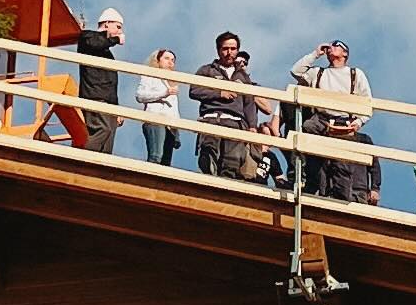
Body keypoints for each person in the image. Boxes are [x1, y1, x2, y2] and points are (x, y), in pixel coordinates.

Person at [287, 38, 374, 204]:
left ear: (345, 53)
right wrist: (316, 54)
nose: (331, 47)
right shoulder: (318, 73)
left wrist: (358, 122)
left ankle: (339, 203)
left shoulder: (355, 74)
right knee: (316, 163)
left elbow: (367, 102)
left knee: (342, 168)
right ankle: (317, 196)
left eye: (336, 45)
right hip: (320, 120)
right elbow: (295, 71)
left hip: (343, 123)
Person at [191, 32, 271, 179]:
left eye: (233, 49)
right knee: (208, 157)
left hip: (235, 123)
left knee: (232, 162)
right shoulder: (207, 70)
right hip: (211, 119)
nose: (229, 53)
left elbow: (249, 103)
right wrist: (219, 93)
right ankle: (209, 186)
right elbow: (194, 90)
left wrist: (252, 126)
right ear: (218, 50)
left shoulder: (243, 76)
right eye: (225, 49)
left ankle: (224, 191)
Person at [76, 7, 124, 153]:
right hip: (94, 96)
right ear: (107, 23)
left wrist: (116, 107)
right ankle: (83, 161)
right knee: (102, 129)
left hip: (107, 99)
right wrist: (115, 39)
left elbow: (111, 82)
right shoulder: (87, 37)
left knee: (109, 138)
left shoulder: (105, 51)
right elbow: (96, 43)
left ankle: (102, 169)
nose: (120, 32)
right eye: (118, 27)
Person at [136, 48, 182, 168]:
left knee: (166, 162)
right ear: (158, 60)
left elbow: (174, 109)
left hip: (170, 125)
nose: (170, 62)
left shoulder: (172, 83)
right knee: (156, 156)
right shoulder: (150, 77)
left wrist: (177, 132)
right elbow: (140, 96)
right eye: (166, 58)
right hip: (155, 119)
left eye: (173, 60)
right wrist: (164, 93)